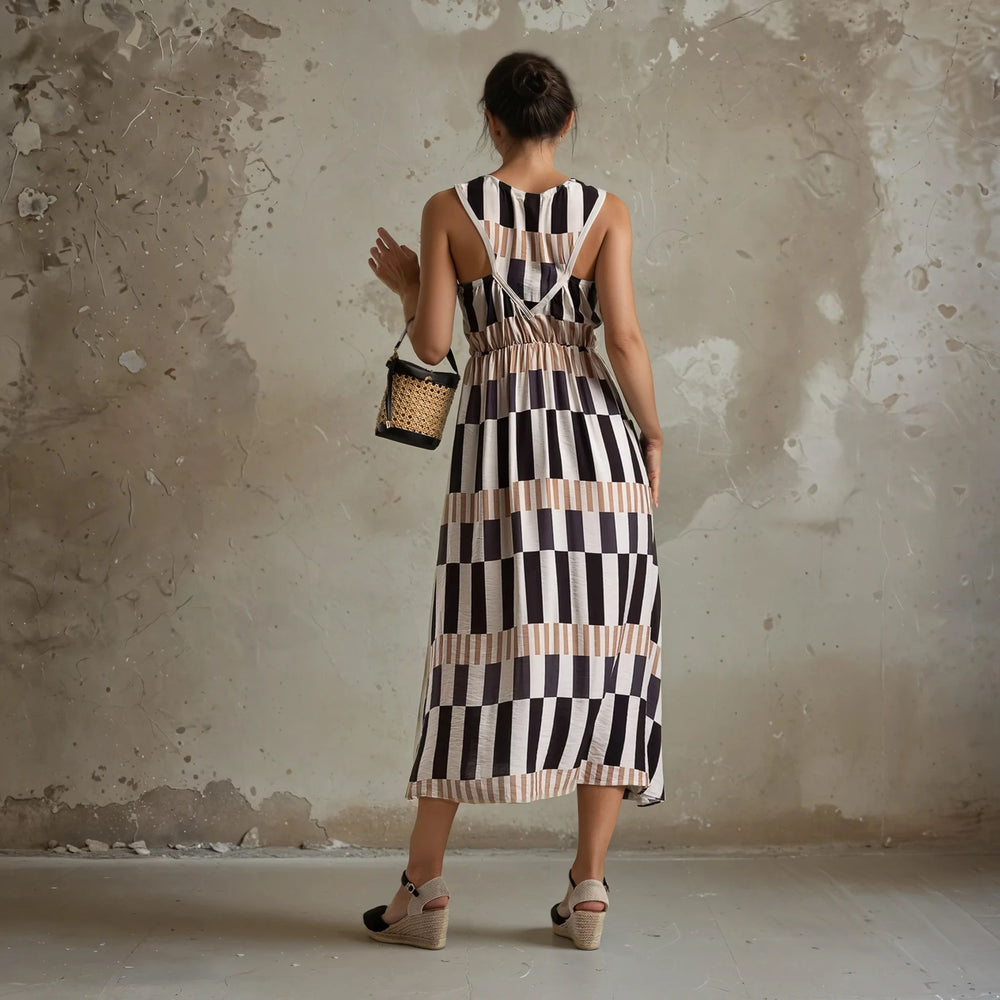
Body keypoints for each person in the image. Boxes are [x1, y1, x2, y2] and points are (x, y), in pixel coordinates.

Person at [364, 51, 663, 952]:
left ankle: (424, 891)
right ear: (566, 122)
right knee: (606, 656)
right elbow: (626, 338)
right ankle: (590, 891)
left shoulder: (450, 210)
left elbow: (434, 342)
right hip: (598, 450)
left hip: (502, 451)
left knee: (473, 654)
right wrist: (651, 435)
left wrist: (413, 283)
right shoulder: (605, 211)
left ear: (490, 121)